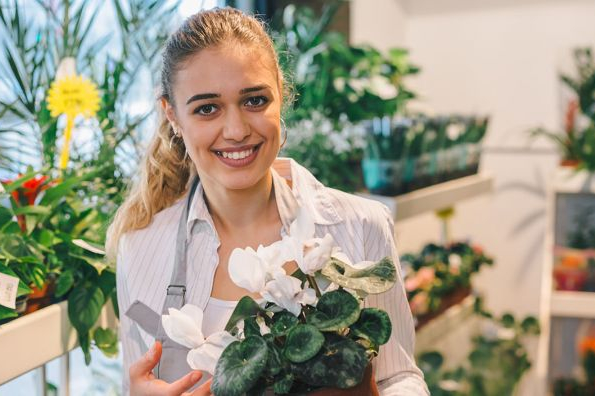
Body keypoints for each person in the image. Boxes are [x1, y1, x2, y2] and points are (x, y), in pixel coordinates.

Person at [107, 7, 428, 396]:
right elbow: (135, 381)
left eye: (255, 100)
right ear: (172, 116)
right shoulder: (140, 247)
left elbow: (401, 377)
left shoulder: (360, 225)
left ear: (281, 93)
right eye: (207, 108)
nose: (237, 129)